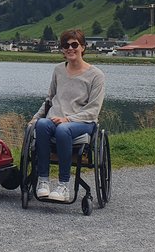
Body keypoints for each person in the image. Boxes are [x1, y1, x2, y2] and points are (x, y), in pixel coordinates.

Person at [30, 28, 105, 203]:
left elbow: (93, 109)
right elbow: (49, 100)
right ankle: (43, 181)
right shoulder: (58, 70)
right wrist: (36, 117)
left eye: (74, 44)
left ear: (83, 47)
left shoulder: (96, 75)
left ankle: (63, 185)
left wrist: (68, 119)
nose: (70, 48)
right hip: (56, 119)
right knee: (41, 125)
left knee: (63, 130)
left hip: (83, 122)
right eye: (66, 45)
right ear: (62, 49)